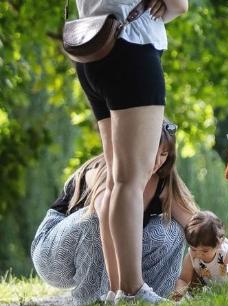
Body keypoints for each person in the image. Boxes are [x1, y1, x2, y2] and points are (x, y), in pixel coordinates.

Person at [70, 0, 188, 302]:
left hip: (92, 60)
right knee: (131, 180)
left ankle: (118, 290)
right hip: (133, 58)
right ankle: (134, 289)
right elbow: (180, 1)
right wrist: (162, 1)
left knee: (116, 179)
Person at [31, 120, 197, 304]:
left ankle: (143, 299)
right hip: (53, 254)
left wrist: (225, 257)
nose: (157, 161)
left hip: (106, 254)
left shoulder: (163, 182)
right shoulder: (104, 171)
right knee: (96, 217)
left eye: (164, 154)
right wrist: (117, 290)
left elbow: (197, 226)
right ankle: (97, 301)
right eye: (152, 153)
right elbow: (107, 223)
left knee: (173, 230)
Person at [172, 211, 228, 300]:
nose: (198, 254)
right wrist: (178, 295)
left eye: (205, 251)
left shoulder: (226, 254)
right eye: (193, 249)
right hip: (212, 292)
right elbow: (184, 280)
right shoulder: (191, 257)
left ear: (219, 243)